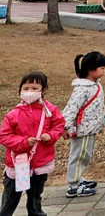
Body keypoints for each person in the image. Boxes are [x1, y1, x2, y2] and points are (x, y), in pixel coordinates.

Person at [0, 71, 65, 216]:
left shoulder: (50, 111)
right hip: (18, 164)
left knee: (35, 196)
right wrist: (24, 142)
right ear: (20, 90)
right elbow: (4, 136)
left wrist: (51, 135)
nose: (30, 92)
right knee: (10, 197)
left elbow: (59, 126)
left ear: (44, 90)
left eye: (35, 88)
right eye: (26, 88)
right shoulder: (14, 114)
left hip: (40, 163)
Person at [61, 51, 105, 198]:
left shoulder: (94, 85)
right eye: (102, 68)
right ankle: (74, 185)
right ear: (91, 70)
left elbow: (97, 107)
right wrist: (65, 127)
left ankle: (78, 178)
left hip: (90, 128)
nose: (104, 71)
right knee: (79, 155)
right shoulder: (82, 89)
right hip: (83, 129)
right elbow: (71, 108)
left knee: (85, 155)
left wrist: (99, 125)